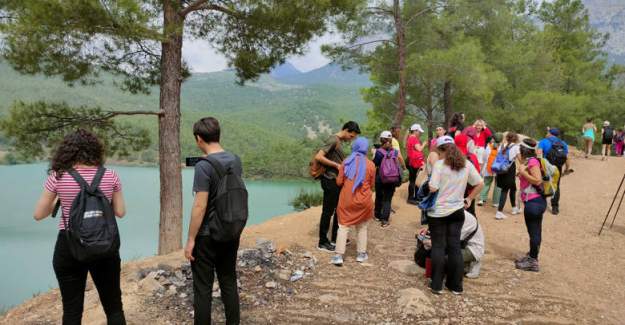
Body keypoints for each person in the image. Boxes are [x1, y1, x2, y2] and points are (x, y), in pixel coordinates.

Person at [33, 129, 126, 325]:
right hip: (105, 246)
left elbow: (38, 215)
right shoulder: (111, 176)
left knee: (72, 311)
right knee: (114, 308)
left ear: (67, 151)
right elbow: (120, 212)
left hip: (69, 247)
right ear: (95, 150)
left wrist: (60, 198)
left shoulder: (58, 177)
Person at [184, 117, 244, 325]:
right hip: (230, 230)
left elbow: (200, 206)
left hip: (207, 236)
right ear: (218, 135)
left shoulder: (203, 167)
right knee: (228, 281)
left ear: (199, 139)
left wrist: (191, 239)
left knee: (203, 289)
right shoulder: (235, 160)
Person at [428, 136, 484, 295]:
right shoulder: (466, 164)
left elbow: (433, 187)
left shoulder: (439, 165)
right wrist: (469, 198)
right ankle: (455, 286)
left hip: (438, 212)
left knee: (438, 246)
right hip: (457, 212)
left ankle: (437, 285)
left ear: (441, 150)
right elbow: (480, 183)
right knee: (454, 247)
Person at [314, 121, 361, 252]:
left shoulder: (338, 141)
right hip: (330, 180)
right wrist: (336, 166)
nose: (351, 139)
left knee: (338, 210)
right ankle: (322, 242)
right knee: (328, 211)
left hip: (337, 181)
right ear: (346, 130)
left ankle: (335, 238)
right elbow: (319, 156)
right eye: (351, 136)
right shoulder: (333, 139)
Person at [331, 137, 376, 266]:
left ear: (354, 147)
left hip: (346, 200)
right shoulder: (371, 165)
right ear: (366, 149)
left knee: (343, 226)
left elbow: (339, 182)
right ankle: (361, 254)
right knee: (362, 227)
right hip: (364, 201)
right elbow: (372, 185)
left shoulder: (346, 162)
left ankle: (338, 255)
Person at [515, 138, 548, 272]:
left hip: (534, 202)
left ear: (524, 150)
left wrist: (523, 172)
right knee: (535, 231)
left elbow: (537, 180)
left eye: (519, 150)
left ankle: (533, 261)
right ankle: (532, 256)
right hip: (536, 201)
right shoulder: (531, 161)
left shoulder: (532, 162)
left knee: (534, 232)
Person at [374, 131, 405, 227]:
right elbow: (397, 162)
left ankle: (377, 215)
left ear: (381, 140)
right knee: (388, 199)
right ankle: (384, 220)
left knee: (379, 196)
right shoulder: (395, 152)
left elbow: (375, 164)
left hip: (380, 177)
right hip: (392, 178)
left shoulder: (379, 152)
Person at [537, 128, 569, 215]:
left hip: (546, 166)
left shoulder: (543, 141)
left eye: (547, 132)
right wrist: (567, 168)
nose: (546, 133)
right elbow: (566, 158)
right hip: (557, 167)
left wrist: (538, 166)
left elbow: (539, 154)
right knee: (556, 185)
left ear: (550, 133)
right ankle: (555, 207)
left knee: (542, 183)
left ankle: (541, 204)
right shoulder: (563, 143)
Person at [495, 132, 521, 220]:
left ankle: (514, 208)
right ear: (516, 139)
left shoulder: (501, 146)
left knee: (513, 187)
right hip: (509, 169)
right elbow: (520, 160)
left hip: (501, 169)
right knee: (505, 190)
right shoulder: (516, 147)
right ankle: (499, 212)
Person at [478, 133, 503, 207]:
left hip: (488, 167)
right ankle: (495, 202)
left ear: (493, 138)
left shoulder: (489, 146)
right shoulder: (502, 147)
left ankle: (482, 199)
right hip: (498, 168)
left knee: (486, 183)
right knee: (497, 185)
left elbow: (485, 157)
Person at [406, 124, 426, 204]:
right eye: (419, 131)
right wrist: (424, 143)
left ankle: (413, 197)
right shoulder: (414, 138)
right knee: (414, 180)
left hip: (412, 161)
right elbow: (419, 149)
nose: (420, 133)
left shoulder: (410, 138)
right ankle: (412, 198)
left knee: (412, 180)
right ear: (415, 131)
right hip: (415, 162)